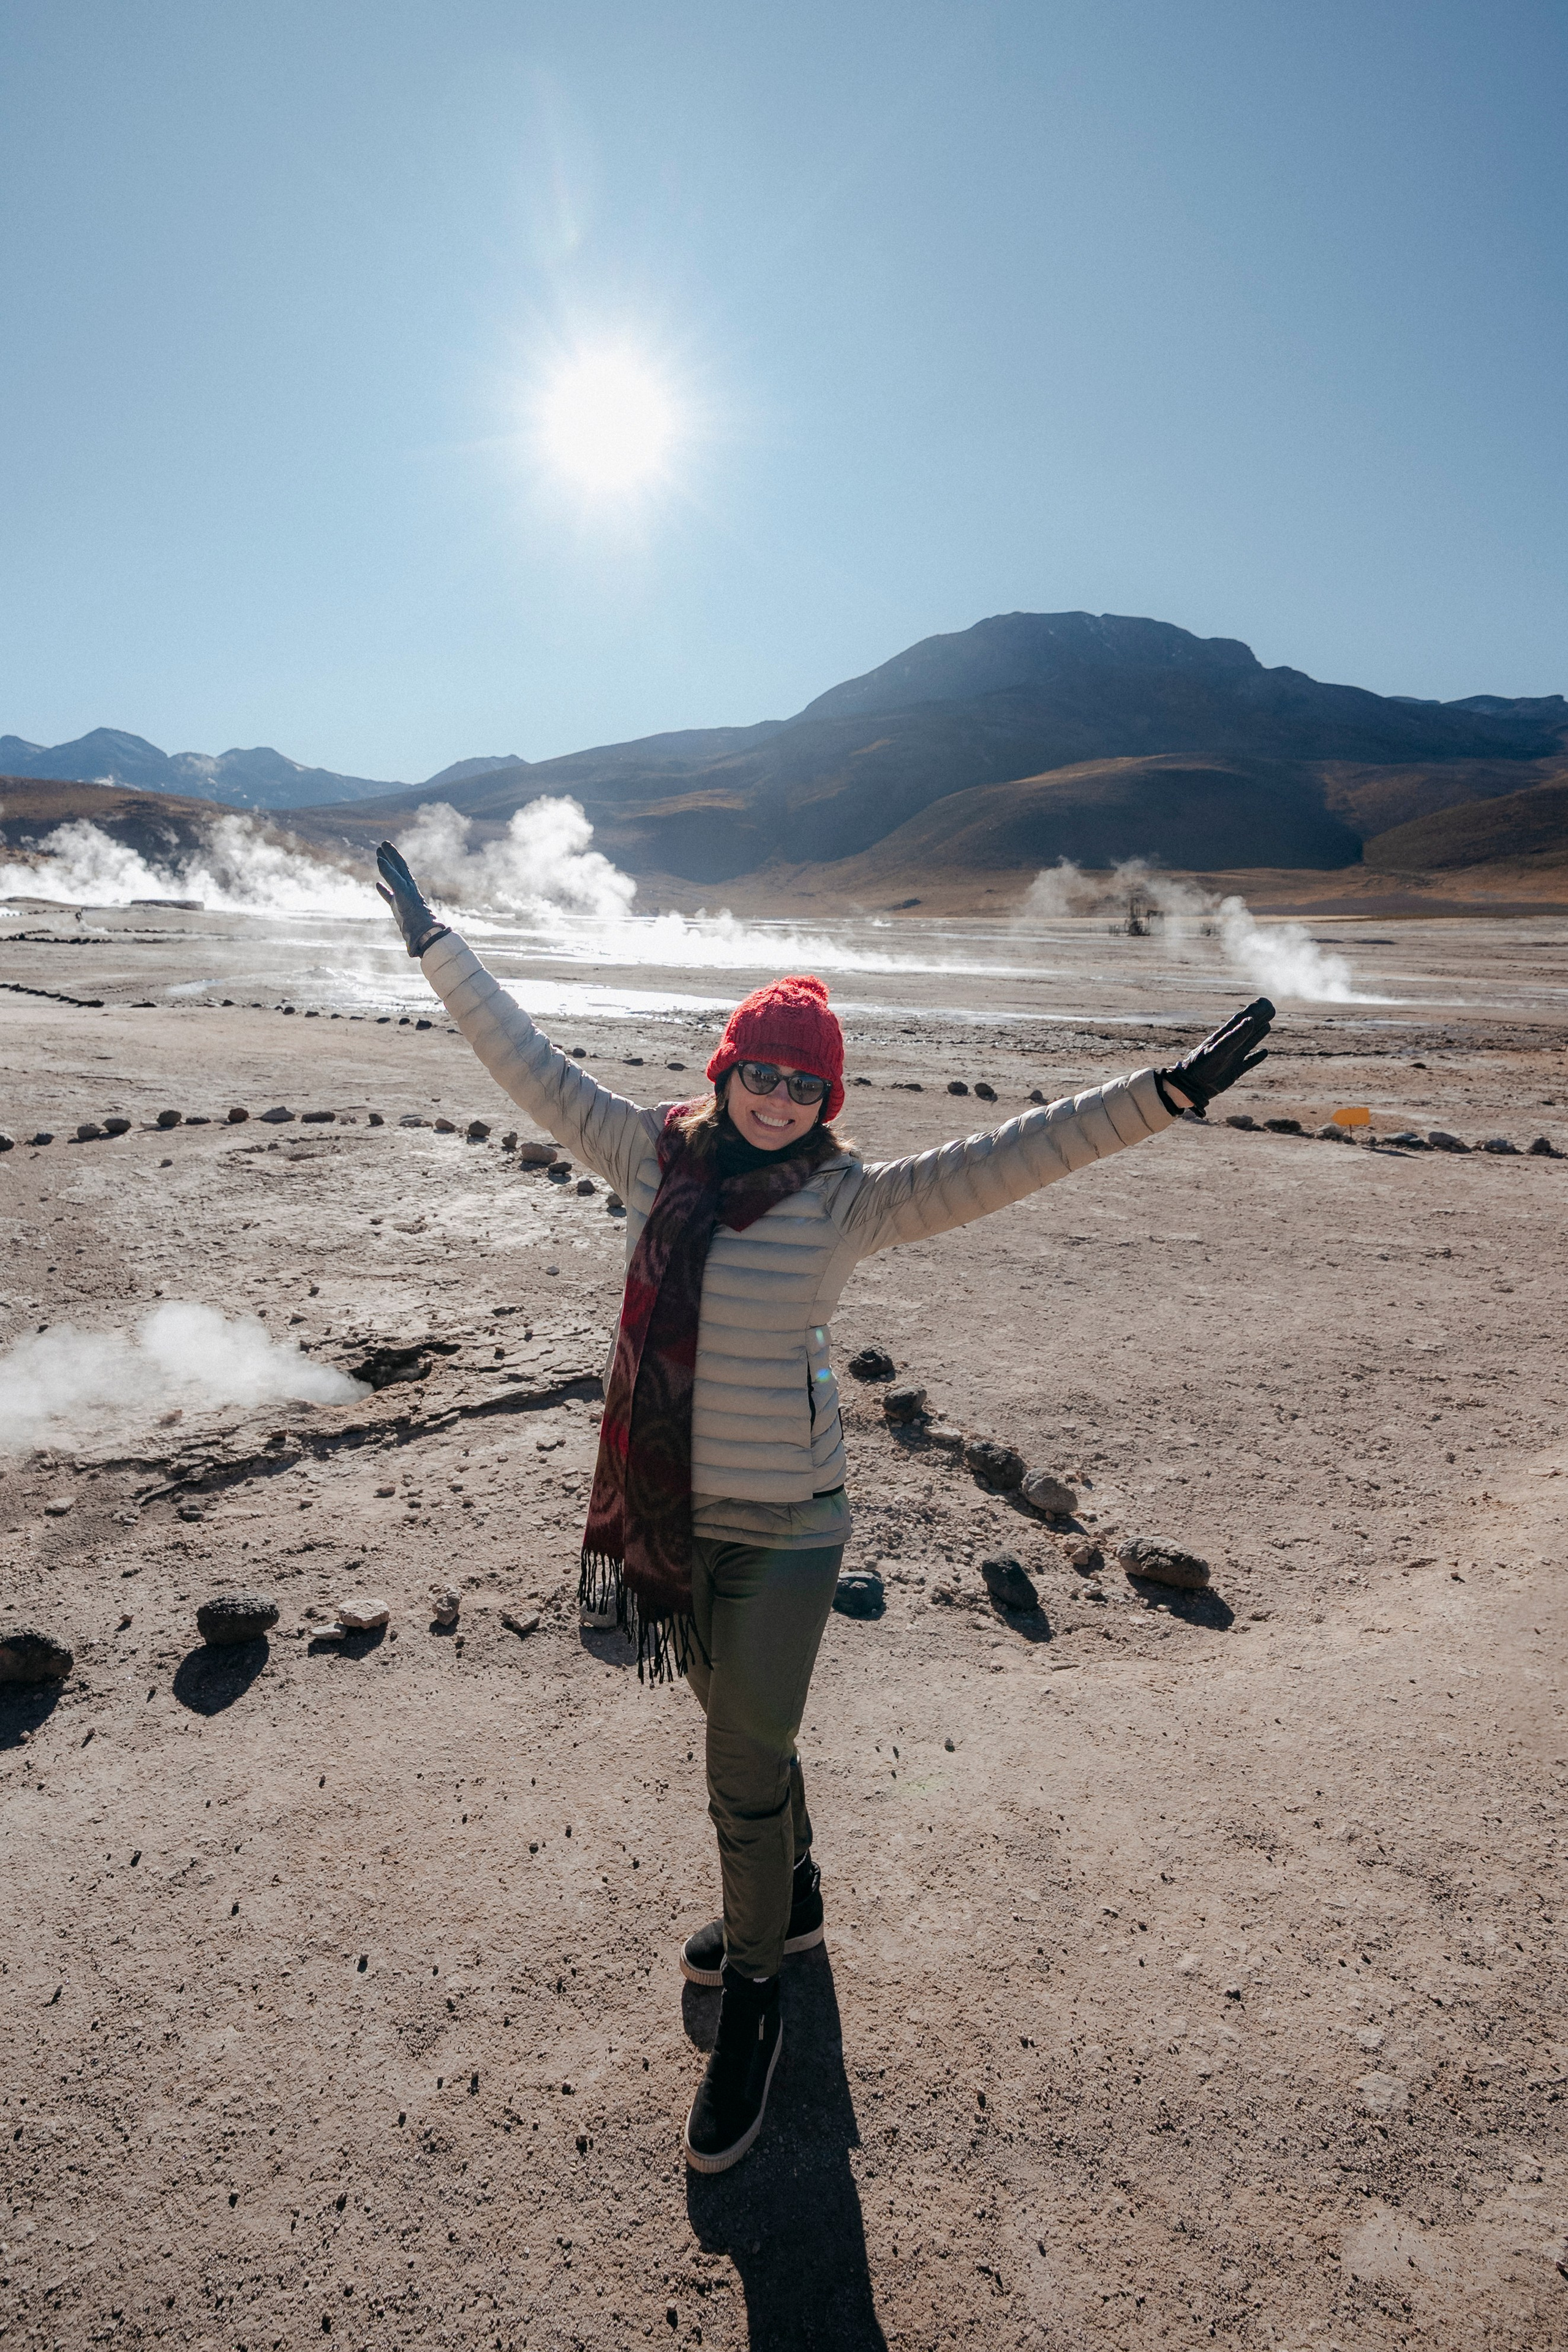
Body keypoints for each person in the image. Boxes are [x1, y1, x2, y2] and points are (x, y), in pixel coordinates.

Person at [374, 840, 1273, 2173]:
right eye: (763, 1072)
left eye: (808, 1082)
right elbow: (525, 1058)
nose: (783, 1098)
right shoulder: (645, 1159)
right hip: (678, 1516)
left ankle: (754, 1996)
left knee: (739, 1761)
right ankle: (788, 1901)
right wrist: (434, 944)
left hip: (792, 1526)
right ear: (723, 1072)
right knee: (749, 1731)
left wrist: (1163, 1094)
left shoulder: (848, 1205)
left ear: (826, 1097)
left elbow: (1009, 1157)